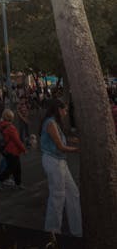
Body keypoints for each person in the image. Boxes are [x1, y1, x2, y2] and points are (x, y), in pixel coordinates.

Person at [40, 98, 82, 237]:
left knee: (73, 193)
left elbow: (61, 140)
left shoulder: (54, 122)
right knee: (57, 196)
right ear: (58, 109)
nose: (65, 112)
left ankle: (77, 230)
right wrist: (77, 149)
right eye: (64, 109)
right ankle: (52, 231)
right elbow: (60, 146)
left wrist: (72, 140)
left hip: (60, 161)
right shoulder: (51, 123)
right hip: (53, 161)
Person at [0, 109, 26, 190]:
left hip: (6, 150)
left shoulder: (1, 125)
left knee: (17, 167)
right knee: (11, 168)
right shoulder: (11, 128)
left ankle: (18, 183)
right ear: (11, 117)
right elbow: (17, 141)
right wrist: (24, 149)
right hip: (13, 150)